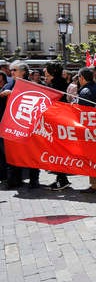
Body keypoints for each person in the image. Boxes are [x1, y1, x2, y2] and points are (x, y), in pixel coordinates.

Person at [1, 62, 41, 190]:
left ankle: (34, 180)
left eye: (15, 70)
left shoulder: (32, 85)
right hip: (12, 126)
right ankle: (14, 180)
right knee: (13, 154)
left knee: (31, 154)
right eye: (11, 70)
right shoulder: (8, 85)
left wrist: (12, 94)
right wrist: (2, 94)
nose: (11, 72)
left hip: (28, 126)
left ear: (23, 72)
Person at [44, 63, 72, 191]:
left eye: (47, 74)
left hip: (58, 123)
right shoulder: (58, 83)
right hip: (58, 122)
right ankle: (61, 179)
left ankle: (62, 179)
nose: (45, 77)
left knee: (58, 152)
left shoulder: (56, 85)